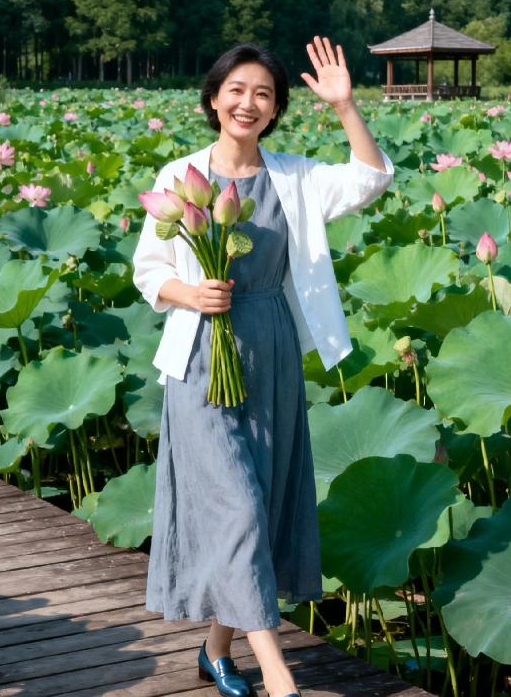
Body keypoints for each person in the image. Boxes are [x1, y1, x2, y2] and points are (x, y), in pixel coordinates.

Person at [132, 36, 394, 697]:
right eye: (237, 91)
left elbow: (371, 179)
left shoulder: (296, 176)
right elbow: (148, 272)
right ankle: (279, 677)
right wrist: (189, 292)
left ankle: (217, 651)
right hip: (200, 354)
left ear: (275, 110)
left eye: (264, 95)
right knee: (238, 509)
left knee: (258, 506)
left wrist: (345, 108)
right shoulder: (180, 178)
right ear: (214, 99)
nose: (249, 103)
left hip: (270, 351)